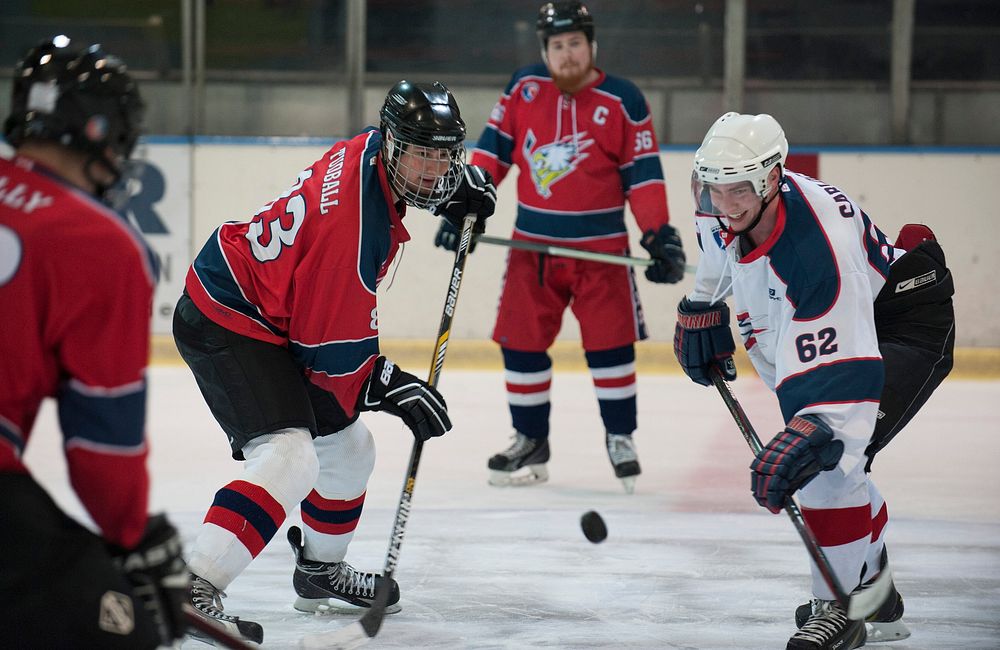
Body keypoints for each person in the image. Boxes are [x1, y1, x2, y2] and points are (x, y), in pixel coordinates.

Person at [173, 79, 496, 644]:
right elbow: (332, 357)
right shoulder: (348, 231)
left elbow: (328, 341)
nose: (433, 168)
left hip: (276, 314)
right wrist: (392, 385)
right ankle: (193, 587)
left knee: (350, 449)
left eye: (444, 155)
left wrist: (450, 192)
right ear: (394, 145)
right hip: (230, 319)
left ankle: (319, 573)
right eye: (422, 153)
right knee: (290, 457)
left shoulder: (374, 151)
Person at [677, 112, 955, 649]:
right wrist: (700, 305)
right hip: (845, 319)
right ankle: (872, 589)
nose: (723, 202)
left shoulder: (818, 252)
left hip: (900, 326)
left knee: (827, 461)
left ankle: (841, 608)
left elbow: (840, 384)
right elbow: (717, 245)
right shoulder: (729, 207)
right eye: (713, 187)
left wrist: (820, 430)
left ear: (771, 178)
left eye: (736, 189)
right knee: (833, 458)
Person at [434, 1, 686, 493]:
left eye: (575, 44)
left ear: (592, 46)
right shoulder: (525, 88)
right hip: (534, 249)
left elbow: (644, 175)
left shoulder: (622, 99)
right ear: (544, 52)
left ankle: (620, 437)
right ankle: (530, 439)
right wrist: (464, 206)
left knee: (610, 347)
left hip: (604, 252)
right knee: (521, 342)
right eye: (556, 46)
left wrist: (657, 234)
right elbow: (491, 153)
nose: (566, 55)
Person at [0, 36, 188, 648]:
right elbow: (100, 444)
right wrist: (132, 539)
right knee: (118, 625)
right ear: (98, 129)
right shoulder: (97, 240)